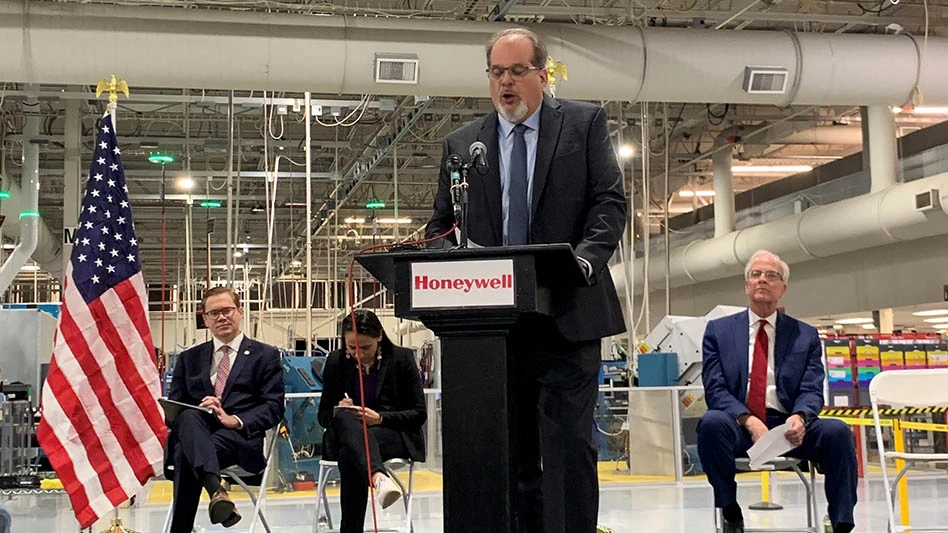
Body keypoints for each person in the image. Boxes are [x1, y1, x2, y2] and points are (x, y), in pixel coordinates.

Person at [424, 27, 627, 533]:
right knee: (505, 453)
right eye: (497, 72)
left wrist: (586, 259)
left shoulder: (583, 124)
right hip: (490, 333)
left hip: (566, 317)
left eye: (516, 71)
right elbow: (440, 228)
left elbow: (609, 202)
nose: (506, 83)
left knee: (566, 452)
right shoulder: (462, 144)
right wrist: (450, 259)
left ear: (542, 73)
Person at [697, 250, 857, 533]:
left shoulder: (804, 334)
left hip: (789, 426)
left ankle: (841, 521)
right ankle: (729, 509)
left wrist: (801, 417)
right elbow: (715, 389)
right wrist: (748, 419)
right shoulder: (717, 331)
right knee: (710, 423)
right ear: (746, 285)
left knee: (838, 432)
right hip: (738, 425)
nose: (762, 280)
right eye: (755, 274)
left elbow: (811, 389)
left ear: (782, 289)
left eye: (772, 276)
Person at [164, 286, 285, 533]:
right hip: (198, 432)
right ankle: (216, 491)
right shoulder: (189, 359)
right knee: (188, 417)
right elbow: (173, 412)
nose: (222, 317)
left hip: (237, 440)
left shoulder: (266, 356)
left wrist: (233, 419)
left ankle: (185, 524)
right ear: (205, 319)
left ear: (240, 312)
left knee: (185, 455)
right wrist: (202, 409)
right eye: (214, 313)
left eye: (227, 310)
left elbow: (274, 408)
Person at [316, 309, 427, 533]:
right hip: (345, 434)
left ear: (379, 337)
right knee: (346, 420)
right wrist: (339, 410)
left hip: (389, 432)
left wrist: (381, 418)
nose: (358, 354)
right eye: (352, 348)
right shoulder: (336, 361)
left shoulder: (401, 359)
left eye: (365, 347)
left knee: (351, 454)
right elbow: (323, 415)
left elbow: (418, 413)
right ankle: (378, 477)